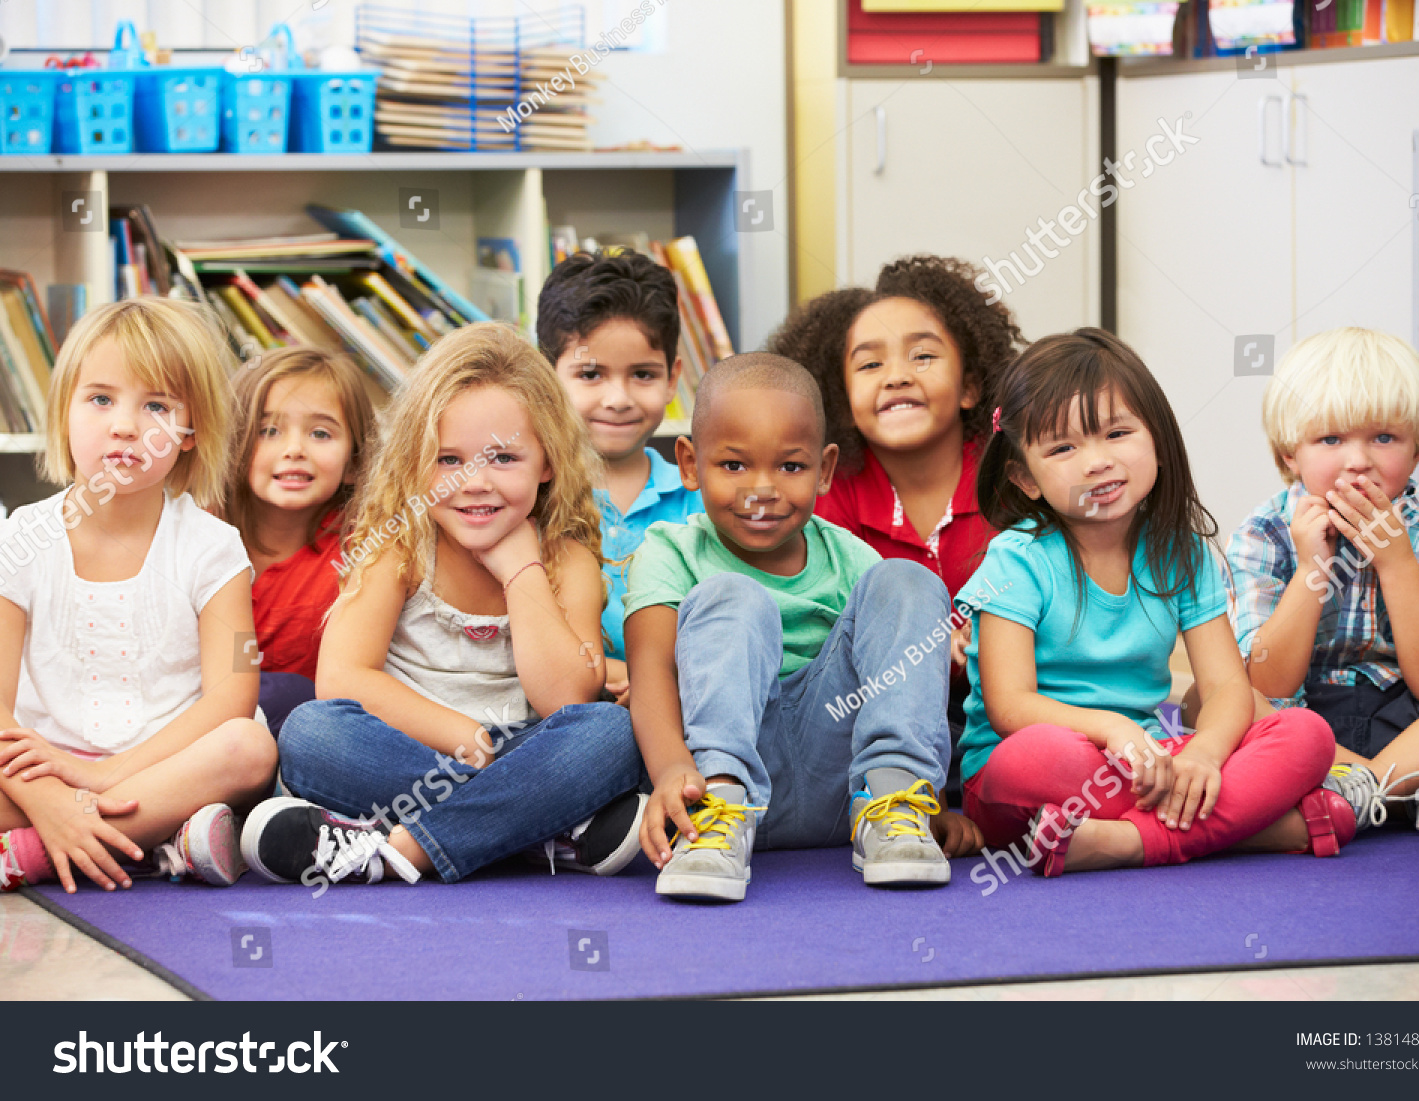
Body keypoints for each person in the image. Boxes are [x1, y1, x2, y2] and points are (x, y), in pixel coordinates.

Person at [240, 323, 646, 889]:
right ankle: (539, 833)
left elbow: (565, 699)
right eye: (449, 460)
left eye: (503, 458)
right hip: (416, 752)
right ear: (417, 464)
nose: (475, 483)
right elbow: (342, 677)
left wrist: (520, 568)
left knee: (612, 733)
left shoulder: (565, 558)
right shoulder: (400, 544)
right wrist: (466, 740)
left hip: (530, 747)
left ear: (548, 461)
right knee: (311, 733)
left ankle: (398, 848)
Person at [958, 329, 1350, 881]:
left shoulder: (1183, 554)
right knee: (1040, 753)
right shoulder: (1016, 560)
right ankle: (1256, 830)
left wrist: (1204, 755)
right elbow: (1010, 706)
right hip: (1029, 773)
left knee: (1305, 733)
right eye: (1064, 448)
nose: (1097, 462)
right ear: (1025, 478)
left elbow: (1224, 688)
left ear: (1158, 442)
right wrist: (1111, 730)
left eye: (1117, 433)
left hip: (1146, 766)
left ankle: (1126, 841)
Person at [625, 352, 958, 903]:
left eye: (791, 467)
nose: (763, 489)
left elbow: (903, 676)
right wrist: (671, 773)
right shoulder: (668, 551)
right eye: (734, 466)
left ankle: (898, 802)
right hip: (718, 779)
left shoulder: (850, 557)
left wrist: (935, 799)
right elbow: (651, 672)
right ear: (689, 462)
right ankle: (719, 815)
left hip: (846, 782)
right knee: (732, 596)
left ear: (825, 470)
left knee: (907, 581)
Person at [0, 299, 276, 893]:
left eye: (155, 405)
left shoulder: (213, 547)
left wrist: (103, 779)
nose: (125, 425)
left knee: (249, 746)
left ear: (190, 432)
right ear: (64, 411)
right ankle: (158, 838)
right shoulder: (21, 536)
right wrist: (50, 797)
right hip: (39, 767)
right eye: (100, 399)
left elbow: (232, 696)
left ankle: (41, 850)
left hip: (162, 764)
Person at [767, 256, 1023, 821]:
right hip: (867, 724)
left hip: (999, 714)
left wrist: (985, 641)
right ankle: (897, 797)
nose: (897, 375)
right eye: (869, 364)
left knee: (1018, 760)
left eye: (923, 356)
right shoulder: (824, 495)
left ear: (971, 385)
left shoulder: (1017, 479)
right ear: (839, 399)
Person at [1222, 327, 1419, 834]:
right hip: (1305, 725)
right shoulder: (1263, 534)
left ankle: (1359, 792)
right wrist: (1312, 570)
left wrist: (1396, 563)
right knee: (1213, 695)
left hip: (1415, 722)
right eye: (1330, 439)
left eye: (1384, 438)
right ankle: (1416, 795)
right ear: (1290, 454)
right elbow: (1269, 682)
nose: (1358, 460)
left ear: (1416, 452)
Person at [538, 250, 702, 705]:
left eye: (643, 375)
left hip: (689, 708)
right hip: (567, 712)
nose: (618, 398)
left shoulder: (705, 504)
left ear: (672, 379)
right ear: (545, 378)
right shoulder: (528, 502)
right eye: (591, 374)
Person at [221, 348, 375, 736]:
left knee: (291, 694)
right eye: (268, 430)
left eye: (320, 433)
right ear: (235, 446)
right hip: (206, 726)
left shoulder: (363, 549)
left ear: (354, 462)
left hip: (309, 736)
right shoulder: (199, 536)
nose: (294, 450)